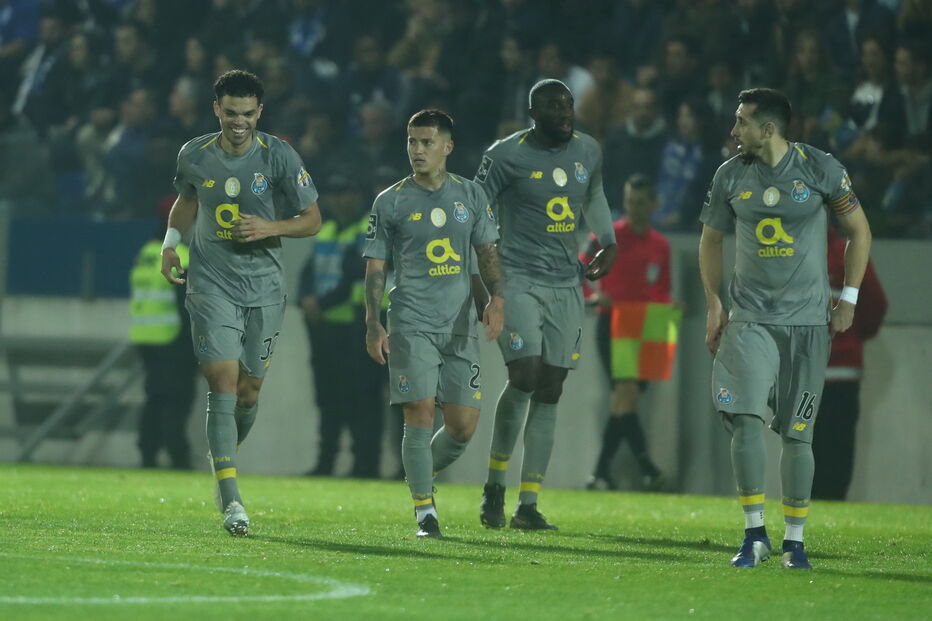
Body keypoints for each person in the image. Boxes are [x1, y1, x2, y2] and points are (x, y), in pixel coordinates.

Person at [699, 88, 872, 569]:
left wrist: (849, 299)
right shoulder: (729, 176)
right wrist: (715, 304)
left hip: (807, 323)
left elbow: (860, 231)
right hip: (750, 319)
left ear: (768, 128)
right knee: (747, 418)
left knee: (798, 435)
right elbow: (711, 240)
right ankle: (754, 533)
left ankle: (794, 540)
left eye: (742, 122)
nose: (734, 131)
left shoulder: (821, 169)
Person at [160, 69, 322, 536]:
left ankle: (224, 458)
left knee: (249, 392)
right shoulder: (194, 154)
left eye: (247, 114)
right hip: (211, 282)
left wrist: (270, 228)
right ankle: (231, 498)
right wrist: (172, 242)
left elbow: (312, 219)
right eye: (230, 113)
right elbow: (186, 199)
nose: (238, 122)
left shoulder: (279, 156)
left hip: (265, 288)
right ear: (216, 110)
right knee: (224, 383)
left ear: (259, 113)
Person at [475, 79, 617, 531]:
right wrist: (485, 279)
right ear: (532, 112)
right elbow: (476, 210)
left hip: (565, 283)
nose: (565, 111)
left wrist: (607, 240)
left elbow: (592, 196)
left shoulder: (588, 151)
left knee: (551, 387)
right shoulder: (504, 155)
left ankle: (528, 504)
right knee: (525, 374)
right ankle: (495, 484)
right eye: (554, 105)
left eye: (568, 103)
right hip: (517, 280)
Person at [363, 109, 504, 539]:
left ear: (448, 147)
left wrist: (496, 300)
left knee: (462, 427)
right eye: (411, 141)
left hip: (458, 324)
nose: (417, 150)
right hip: (411, 321)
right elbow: (375, 269)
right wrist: (373, 323)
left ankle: (418, 472)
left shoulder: (471, 195)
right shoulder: (390, 201)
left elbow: (486, 256)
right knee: (419, 412)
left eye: (426, 142)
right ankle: (426, 512)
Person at [583, 174, 670, 492]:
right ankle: (646, 468)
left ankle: (601, 473)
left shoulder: (661, 246)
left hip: (648, 327)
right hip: (614, 324)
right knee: (625, 393)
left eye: (640, 202)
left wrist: (670, 306)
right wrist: (590, 297)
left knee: (624, 401)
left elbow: (663, 289)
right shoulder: (608, 238)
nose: (633, 208)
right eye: (630, 202)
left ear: (653, 204)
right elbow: (580, 268)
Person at [299, 174, 382, 479]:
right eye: (334, 192)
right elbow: (308, 272)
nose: (339, 199)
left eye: (346, 191)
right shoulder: (327, 229)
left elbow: (355, 275)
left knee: (361, 398)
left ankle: (364, 464)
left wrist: (320, 304)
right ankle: (327, 462)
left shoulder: (367, 230)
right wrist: (305, 299)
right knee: (327, 397)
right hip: (325, 329)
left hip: (354, 326)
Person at [811, 226, 887, 500]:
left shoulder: (789, 252)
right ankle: (832, 509)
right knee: (838, 450)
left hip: (804, 374)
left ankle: (801, 518)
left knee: (801, 447)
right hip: (843, 372)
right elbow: (875, 304)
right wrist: (850, 337)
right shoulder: (848, 252)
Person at [129, 227, 197, 469]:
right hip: (173, 339)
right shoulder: (182, 255)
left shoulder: (145, 253)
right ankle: (178, 455)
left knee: (154, 398)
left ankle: (148, 453)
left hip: (146, 337)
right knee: (177, 400)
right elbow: (188, 305)